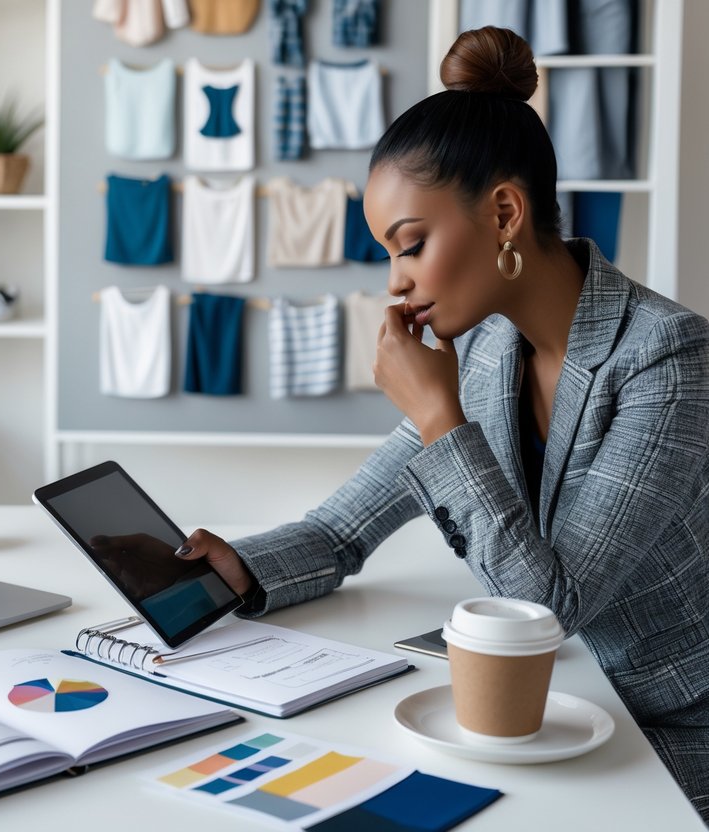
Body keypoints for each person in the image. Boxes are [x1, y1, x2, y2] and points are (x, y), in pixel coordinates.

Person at [176, 26, 709, 821]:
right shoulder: (492, 348)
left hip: (660, 732)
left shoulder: (667, 360)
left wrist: (436, 413)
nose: (395, 286)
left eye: (410, 246)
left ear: (502, 212)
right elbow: (340, 532)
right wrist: (236, 570)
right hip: (547, 706)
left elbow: (545, 610)